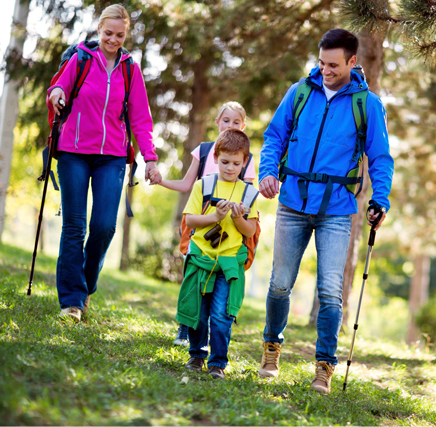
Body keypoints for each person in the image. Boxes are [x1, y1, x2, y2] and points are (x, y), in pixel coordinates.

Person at [257, 29, 394, 394]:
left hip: (336, 209)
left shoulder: (368, 104)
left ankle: (324, 367)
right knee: (280, 284)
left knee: (331, 292)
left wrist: (381, 199)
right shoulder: (300, 92)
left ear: (352, 62)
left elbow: (380, 158)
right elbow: (274, 136)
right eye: (321, 62)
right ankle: (272, 349)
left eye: (333, 65)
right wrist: (268, 172)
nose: (325, 70)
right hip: (292, 203)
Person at [48, 4, 161, 322]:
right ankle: (71, 301)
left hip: (112, 156)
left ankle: (84, 285)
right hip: (73, 151)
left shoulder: (129, 69)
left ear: (127, 35)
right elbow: (59, 87)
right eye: (108, 33)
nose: (113, 39)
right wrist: (56, 94)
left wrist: (150, 158)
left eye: (120, 34)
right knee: (74, 227)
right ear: (99, 30)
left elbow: (141, 119)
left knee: (104, 226)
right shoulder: (81, 58)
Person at [153, 101, 256, 346]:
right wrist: (161, 181)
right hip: (199, 216)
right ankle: (185, 327)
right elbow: (187, 184)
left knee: (220, 275)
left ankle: (216, 323)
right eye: (226, 120)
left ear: (243, 126)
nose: (230, 125)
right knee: (194, 272)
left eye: (236, 122)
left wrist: (240, 213)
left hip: (230, 225)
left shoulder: (246, 157)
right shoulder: (204, 150)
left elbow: (248, 193)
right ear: (217, 122)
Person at [176, 129, 259, 379]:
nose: (230, 168)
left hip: (228, 265)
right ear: (215, 157)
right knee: (198, 313)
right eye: (224, 162)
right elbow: (189, 220)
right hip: (202, 259)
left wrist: (237, 218)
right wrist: (215, 217)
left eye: (236, 163)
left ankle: (218, 363)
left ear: (245, 162)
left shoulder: (249, 194)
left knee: (221, 316)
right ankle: (196, 354)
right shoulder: (204, 185)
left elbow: (251, 229)